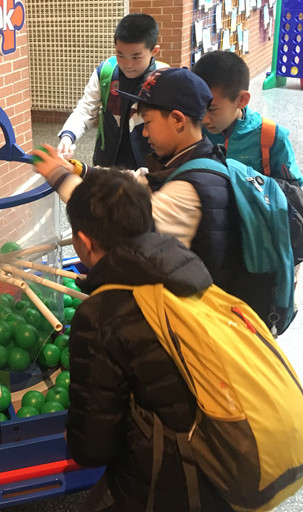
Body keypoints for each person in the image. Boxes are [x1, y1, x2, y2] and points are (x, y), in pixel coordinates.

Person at [34, 67, 273, 325]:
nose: (145, 133)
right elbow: (139, 180)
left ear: (178, 119)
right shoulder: (195, 158)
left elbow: (113, 219)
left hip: (190, 320)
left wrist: (59, 177)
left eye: (147, 123)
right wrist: (81, 170)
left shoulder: (189, 189)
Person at [61, 169, 232, 511]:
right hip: (224, 456)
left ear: (84, 242)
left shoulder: (99, 315)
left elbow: (93, 448)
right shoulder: (185, 268)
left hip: (172, 483)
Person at [56, 13, 161, 168]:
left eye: (136, 57)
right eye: (120, 54)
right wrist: (68, 136)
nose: (127, 64)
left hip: (148, 166)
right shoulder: (106, 72)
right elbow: (86, 109)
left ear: (154, 51)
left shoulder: (163, 78)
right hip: (107, 162)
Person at [191, 50, 303, 186]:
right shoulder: (192, 128)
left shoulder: (271, 137)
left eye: (212, 109)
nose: (204, 119)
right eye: (198, 106)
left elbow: (292, 190)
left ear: (242, 100)